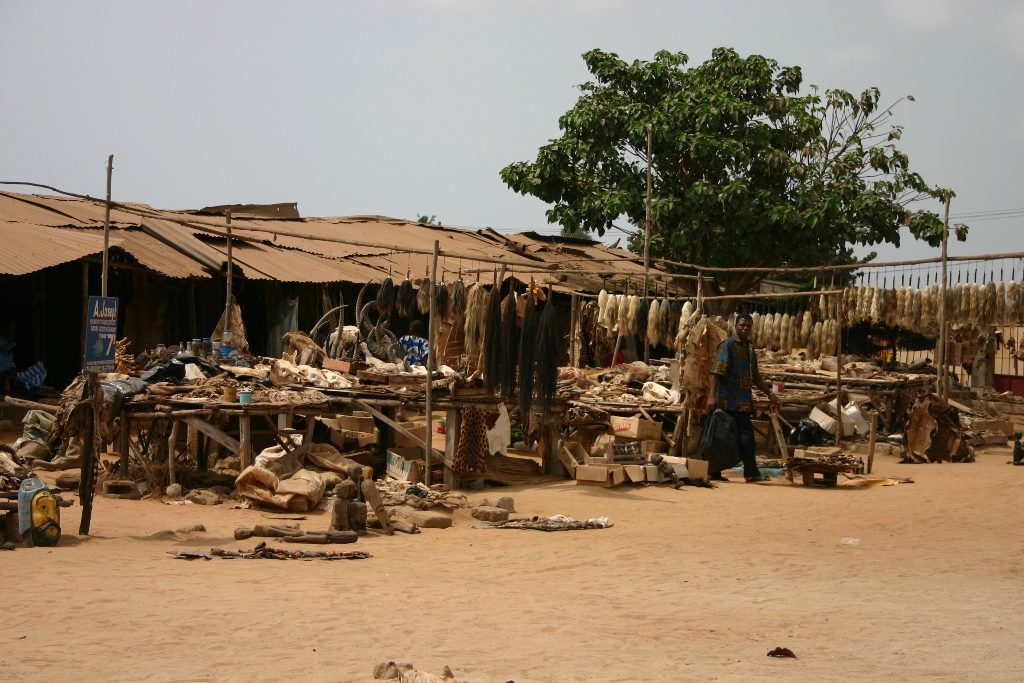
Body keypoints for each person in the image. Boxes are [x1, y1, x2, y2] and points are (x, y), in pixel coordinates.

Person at [704, 312, 780, 482]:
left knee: (745, 438)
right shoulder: (727, 345)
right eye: (742, 325)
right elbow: (716, 373)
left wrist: (770, 394)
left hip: (743, 402)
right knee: (721, 437)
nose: (745, 328)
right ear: (736, 326)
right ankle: (720, 472)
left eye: (748, 326)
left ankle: (747, 472)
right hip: (726, 400)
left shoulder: (750, 348)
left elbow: (756, 377)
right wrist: (711, 397)